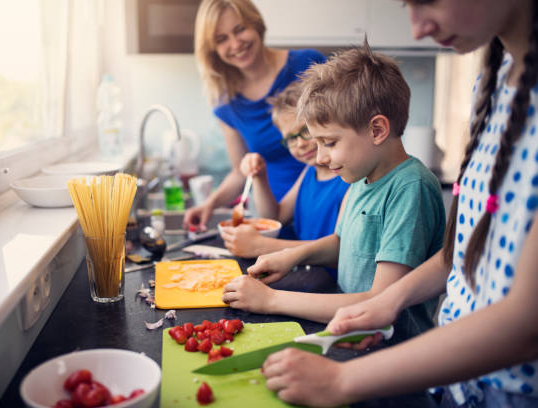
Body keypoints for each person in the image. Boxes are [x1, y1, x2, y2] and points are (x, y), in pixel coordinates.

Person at [259, 1, 538, 407]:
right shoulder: (490, 86)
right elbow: (460, 255)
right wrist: (387, 302)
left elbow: (526, 327)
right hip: (456, 382)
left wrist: (341, 380)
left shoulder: (409, 185)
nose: (417, 28)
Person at [222, 43, 446, 337]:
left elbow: (379, 302)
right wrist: (293, 257)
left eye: (329, 143)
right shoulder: (362, 176)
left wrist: (271, 300)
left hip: (389, 348)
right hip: (349, 332)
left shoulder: (409, 189)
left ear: (377, 130)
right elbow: (344, 243)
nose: (320, 157)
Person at [183, 0, 326, 232]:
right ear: (213, 50)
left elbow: (343, 132)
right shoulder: (226, 103)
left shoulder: (308, 64)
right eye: (221, 39)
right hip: (277, 217)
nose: (235, 44)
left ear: (256, 24)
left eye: (240, 29)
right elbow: (241, 171)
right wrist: (209, 204)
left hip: (327, 201)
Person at [219, 80, 349, 260]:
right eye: (291, 138)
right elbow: (275, 218)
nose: (301, 144)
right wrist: (260, 177)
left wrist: (262, 246)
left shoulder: (349, 178)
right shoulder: (309, 172)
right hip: (308, 274)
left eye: (306, 131)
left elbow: (340, 250)